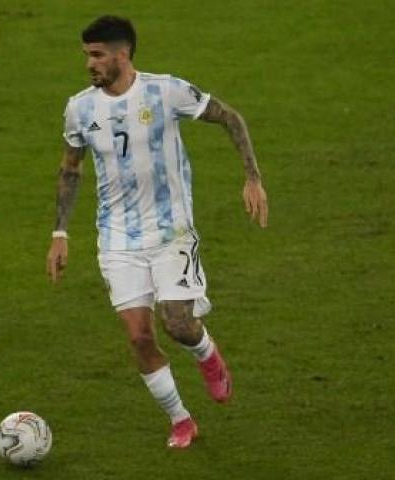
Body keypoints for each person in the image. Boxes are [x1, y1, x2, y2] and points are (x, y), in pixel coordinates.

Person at [46, 15, 268, 449]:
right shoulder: (80, 108)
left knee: (178, 324)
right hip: (117, 239)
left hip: (171, 232)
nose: (89, 64)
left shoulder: (165, 91)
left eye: (97, 55)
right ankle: (181, 420)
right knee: (138, 336)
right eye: (86, 55)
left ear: (122, 54)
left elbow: (230, 117)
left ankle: (207, 355)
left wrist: (252, 177)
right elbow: (69, 169)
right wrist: (60, 233)